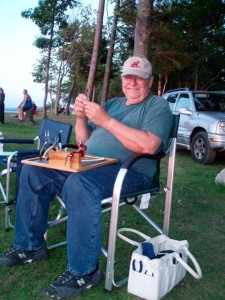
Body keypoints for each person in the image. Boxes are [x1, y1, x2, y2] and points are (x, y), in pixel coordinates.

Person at [0, 56, 173, 299]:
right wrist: (82, 117)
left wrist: (106, 121)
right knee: (33, 170)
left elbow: (150, 146)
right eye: (127, 77)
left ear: (150, 81)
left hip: (129, 172)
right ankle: (29, 247)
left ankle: (85, 271)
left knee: (81, 184)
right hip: (89, 163)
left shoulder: (157, 107)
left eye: (140, 78)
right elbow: (83, 141)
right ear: (122, 78)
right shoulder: (112, 104)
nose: (132, 82)